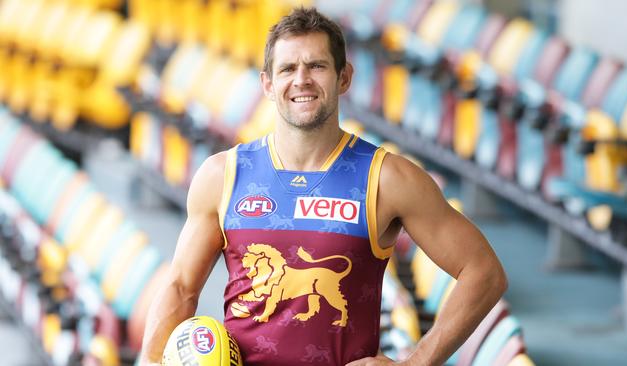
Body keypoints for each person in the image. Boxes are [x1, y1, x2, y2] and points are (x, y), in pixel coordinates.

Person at [141, 7, 507, 366]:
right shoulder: (223, 175)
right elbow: (180, 288)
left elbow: (484, 273)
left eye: (316, 66)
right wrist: (153, 360)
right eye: (287, 68)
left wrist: (416, 363)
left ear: (344, 77)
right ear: (267, 84)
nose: (301, 80)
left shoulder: (388, 178)